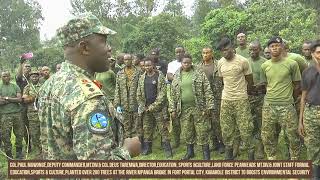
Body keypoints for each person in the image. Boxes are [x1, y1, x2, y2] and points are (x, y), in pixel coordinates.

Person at [38, 13, 140, 160]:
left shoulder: (51, 83)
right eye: (104, 42)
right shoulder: (88, 99)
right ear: (85, 48)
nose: (109, 48)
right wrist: (128, 150)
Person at [260, 36, 301, 160]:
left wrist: (291, 99)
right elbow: (267, 84)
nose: (275, 48)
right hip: (269, 105)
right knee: (267, 135)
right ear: (268, 49)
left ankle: (294, 161)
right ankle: (271, 158)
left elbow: (297, 84)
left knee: (292, 136)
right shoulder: (265, 65)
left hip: (287, 105)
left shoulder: (292, 64)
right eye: (272, 46)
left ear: (282, 47)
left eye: (277, 45)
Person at [217, 37, 255, 160]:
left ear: (233, 48)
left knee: (246, 128)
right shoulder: (220, 62)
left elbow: (249, 80)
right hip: (226, 99)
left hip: (241, 100)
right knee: (226, 128)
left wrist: (244, 93)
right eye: (222, 51)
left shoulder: (243, 61)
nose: (225, 53)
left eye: (227, 50)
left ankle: (250, 156)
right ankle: (229, 156)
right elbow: (222, 79)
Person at [170, 54, 214, 160]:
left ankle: (206, 155)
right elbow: (172, 93)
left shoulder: (198, 73)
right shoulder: (177, 75)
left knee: (202, 131)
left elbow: (207, 89)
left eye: (188, 62)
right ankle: (190, 152)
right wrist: (172, 109)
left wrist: (209, 106)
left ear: (191, 63)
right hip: (183, 109)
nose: (186, 64)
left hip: (199, 108)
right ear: (181, 63)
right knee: (187, 131)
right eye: (184, 62)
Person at [137, 57, 172, 158]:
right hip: (146, 108)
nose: (147, 67)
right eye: (145, 65)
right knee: (147, 128)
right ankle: (148, 148)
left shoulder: (159, 76)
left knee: (163, 128)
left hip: (158, 108)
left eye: (149, 65)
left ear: (153, 65)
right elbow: (138, 93)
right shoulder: (142, 77)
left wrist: (153, 106)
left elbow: (162, 94)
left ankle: (167, 149)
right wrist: (142, 105)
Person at [298, 39, 320, 180]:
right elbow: (303, 97)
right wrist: (300, 121)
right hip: (311, 113)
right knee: (312, 146)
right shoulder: (307, 72)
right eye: (318, 52)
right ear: (312, 54)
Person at [199, 47, 225, 154]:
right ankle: (213, 142)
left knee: (217, 122)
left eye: (208, 52)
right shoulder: (198, 67)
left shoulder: (218, 65)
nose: (206, 55)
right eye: (204, 53)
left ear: (212, 53)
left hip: (217, 97)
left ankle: (221, 143)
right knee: (207, 121)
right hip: (204, 98)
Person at [248, 40, 267, 159]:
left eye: (254, 49)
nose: (252, 52)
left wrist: (261, 85)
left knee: (261, 122)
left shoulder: (265, 63)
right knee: (248, 122)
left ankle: (260, 147)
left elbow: (268, 80)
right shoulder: (245, 62)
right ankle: (248, 145)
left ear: (259, 50)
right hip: (248, 96)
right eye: (250, 50)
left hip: (261, 96)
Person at [114, 53, 141, 139]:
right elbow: (117, 89)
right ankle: (128, 143)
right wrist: (117, 104)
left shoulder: (138, 72)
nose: (127, 61)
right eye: (125, 60)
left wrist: (141, 102)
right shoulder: (120, 73)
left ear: (132, 59)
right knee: (126, 125)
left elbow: (141, 87)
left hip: (135, 102)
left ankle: (137, 144)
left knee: (136, 125)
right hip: (124, 104)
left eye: (129, 59)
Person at [0, 71, 23, 159]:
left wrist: (6, 98)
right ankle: (9, 154)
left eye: (7, 76)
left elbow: (19, 99)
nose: (6, 77)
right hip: (4, 115)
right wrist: (13, 99)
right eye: (4, 76)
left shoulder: (15, 86)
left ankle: (19, 152)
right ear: (1, 77)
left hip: (17, 113)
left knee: (19, 134)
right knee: (6, 135)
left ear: (10, 77)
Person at [167, 46, 185, 148]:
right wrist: (178, 80)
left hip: (186, 93)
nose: (178, 54)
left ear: (184, 52)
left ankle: (191, 140)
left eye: (180, 52)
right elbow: (169, 75)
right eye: (177, 52)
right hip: (175, 93)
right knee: (175, 118)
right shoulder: (171, 64)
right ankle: (177, 140)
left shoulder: (187, 62)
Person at [22, 70, 42, 156]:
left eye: (36, 76)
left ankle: (44, 148)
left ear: (39, 77)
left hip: (43, 113)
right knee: (34, 133)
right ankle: (37, 149)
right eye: (32, 76)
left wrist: (30, 97)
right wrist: (34, 97)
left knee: (44, 131)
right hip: (32, 114)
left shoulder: (43, 86)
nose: (34, 78)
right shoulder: (27, 88)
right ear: (30, 78)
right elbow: (25, 100)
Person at [16, 60, 31, 149]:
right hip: (23, 105)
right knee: (25, 125)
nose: (27, 68)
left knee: (33, 125)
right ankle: (28, 145)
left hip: (33, 105)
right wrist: (21, 63)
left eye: (29, 67)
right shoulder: (20, 78)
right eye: (26, 66)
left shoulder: (33, 77)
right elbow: (18, 74)